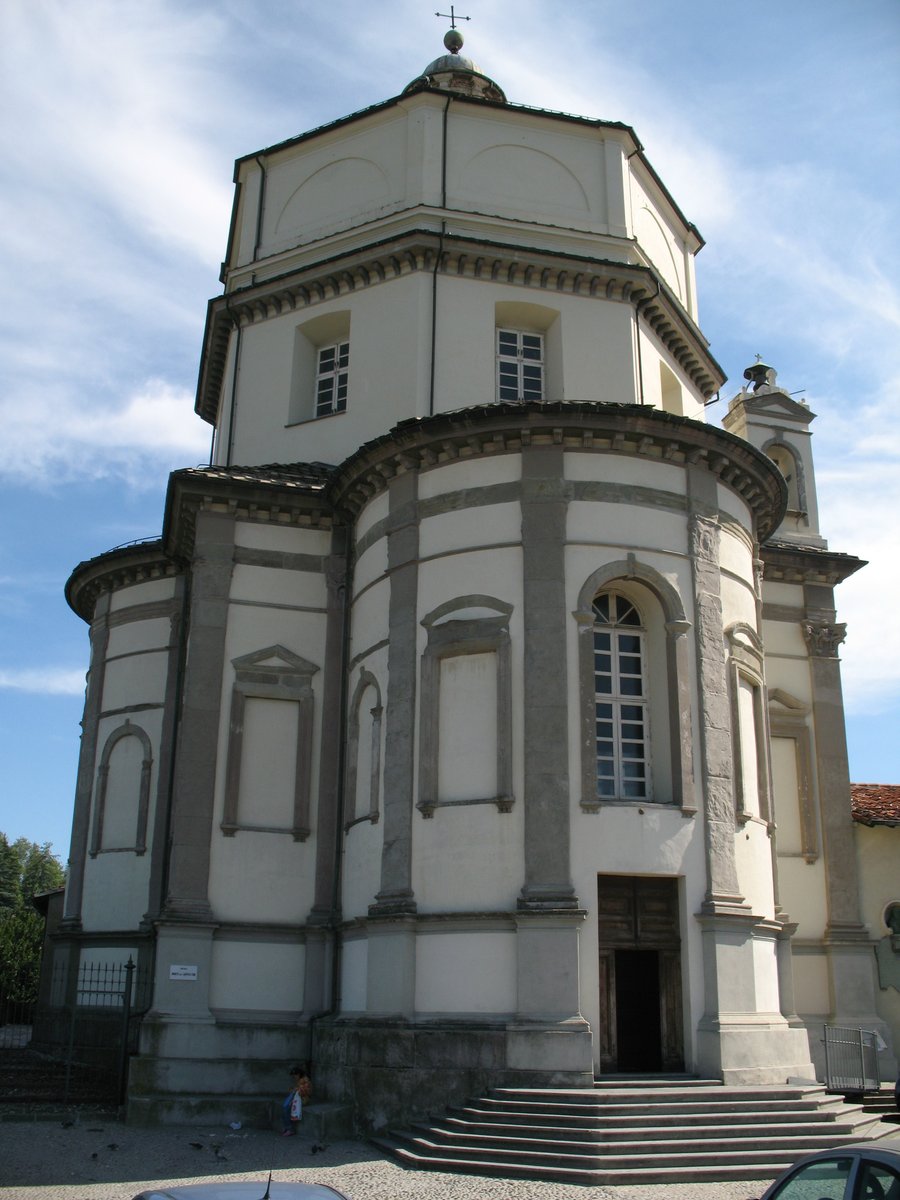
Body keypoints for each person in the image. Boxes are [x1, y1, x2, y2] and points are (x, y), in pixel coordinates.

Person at [281, 1062, 312, 1136]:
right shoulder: (299, 1080)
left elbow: (307, 1092)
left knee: (287, 1107)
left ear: (298, 1074)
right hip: (297, 1098)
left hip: (303, 1098)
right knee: (285, 1107)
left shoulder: (305, 1080)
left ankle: (289, 1128)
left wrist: (297, 1090)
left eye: (294, 1076)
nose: (294, 1078)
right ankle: (287, 1127)